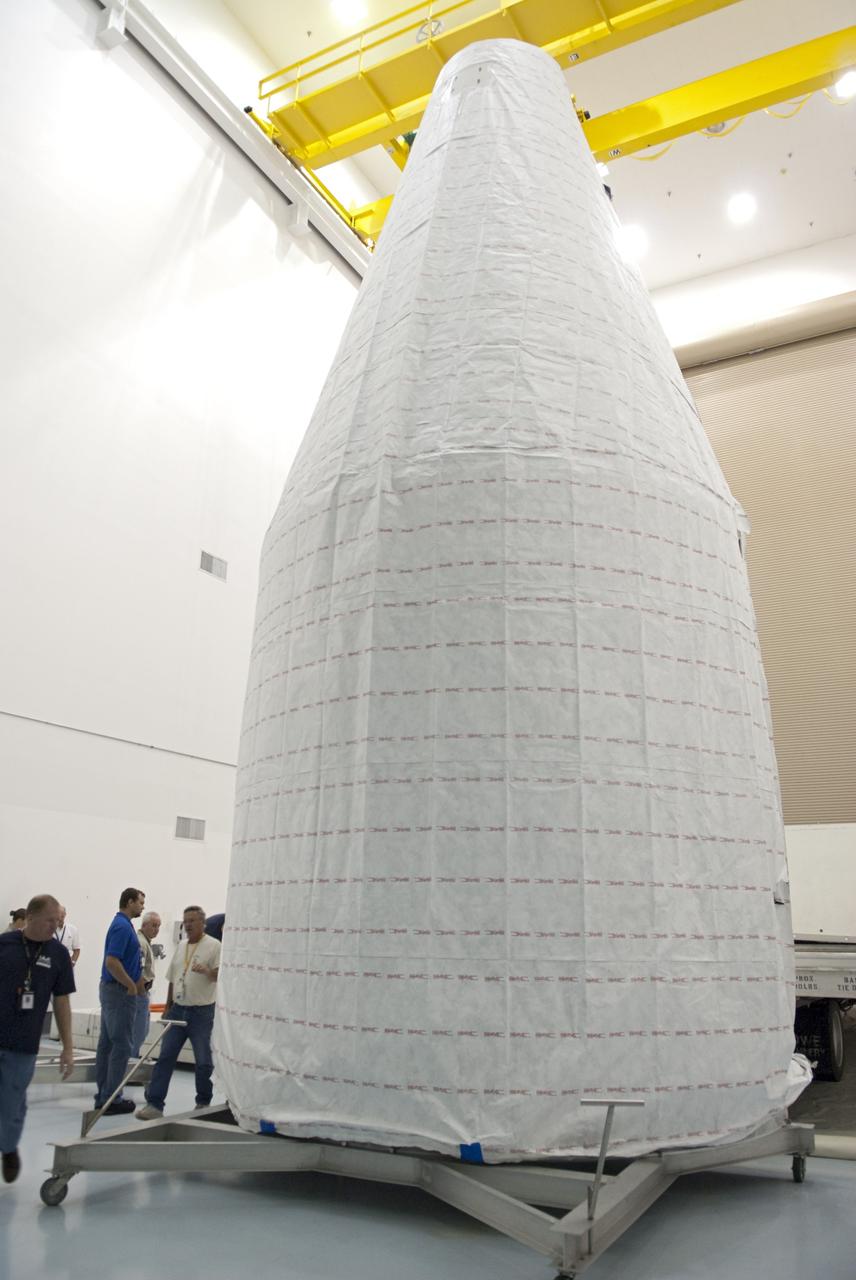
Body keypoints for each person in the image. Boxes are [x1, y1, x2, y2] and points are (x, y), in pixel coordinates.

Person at [0, 895, 74, 1182]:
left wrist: (68, 1047)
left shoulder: (57, 955)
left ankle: (8, 1148)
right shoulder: (5, 945)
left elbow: (62, 1001)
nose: (55, 927)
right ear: (30, 917)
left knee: (12, 1104)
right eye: (50, 921)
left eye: (59, 921)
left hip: (24, 1043)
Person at [137, 905, 220, 1120]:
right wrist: (167, 1007)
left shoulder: (214, 946)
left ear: (203, 924)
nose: (188, 924)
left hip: (202, 1012)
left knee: (203, 1060)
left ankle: (203, 1102)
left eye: (193, 920)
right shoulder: (181, 946)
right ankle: (154, 1104)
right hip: (178, 1010)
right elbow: (173, 978)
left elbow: (220, 976)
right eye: (186, 921)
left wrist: (208, 971)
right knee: (165, 1056)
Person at [94, 887, 146, 1115]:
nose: (143, 907)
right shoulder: (122, 927)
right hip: (119, 993)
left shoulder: (123, 926)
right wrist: (130, 985)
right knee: (121, 1045)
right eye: (140, 902)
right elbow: (112, 962)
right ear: (130, 901)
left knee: (107, 1044)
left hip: (113, 991)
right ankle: (112, 1099)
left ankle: (104, 1096)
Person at [132, 911, 161, 1057]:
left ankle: (131, 1058)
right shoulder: (141, 943)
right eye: (153, 925)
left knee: (142, 1030)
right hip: (140, 992)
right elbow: (139, 970)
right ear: (144, 925)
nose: (156, 929)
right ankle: (129, 1063)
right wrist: (141, 992)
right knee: (138, 1031)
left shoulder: (146, 942)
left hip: (143, 991)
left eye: (158, 926)